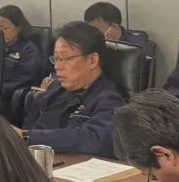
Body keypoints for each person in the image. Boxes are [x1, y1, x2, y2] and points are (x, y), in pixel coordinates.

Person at [20, 21, 125, 156]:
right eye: (56, 59)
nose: (57, 66)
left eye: (65, 58)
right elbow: (30, 123)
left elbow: (93, 139)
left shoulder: (108, 99)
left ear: (92, 60)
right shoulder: (55, 87)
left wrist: (27, 137)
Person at [0, 4, 46, 109]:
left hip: (9, 93)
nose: (0, 32)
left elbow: (27, 78)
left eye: (5, 28)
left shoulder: (29, 50)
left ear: (19, 27)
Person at [84, 1, 148, 49]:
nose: (92, 34)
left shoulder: (136, 45)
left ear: (114, 27)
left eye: (96, 30)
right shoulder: (89, 44)